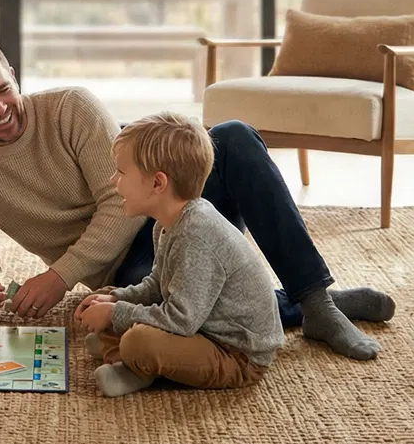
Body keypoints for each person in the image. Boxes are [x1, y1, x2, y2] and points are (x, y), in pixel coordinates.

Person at [0, 36, 394, 360]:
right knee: (178, 312)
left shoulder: (70, 107)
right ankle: (302, 308)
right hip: (129, 268)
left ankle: (316, 300)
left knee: (233, 139)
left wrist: (60, 276)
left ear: (14, 76)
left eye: (2, 89)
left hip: (165, 208)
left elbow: (119, 202)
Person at [74, 112, 283, 397]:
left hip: (236, 354)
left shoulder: (195, 235)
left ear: (158, 183)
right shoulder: (166, 223)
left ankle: (132, 363)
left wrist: (115, 316)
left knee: (138, 341)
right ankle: (124, 350)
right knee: (111, 293)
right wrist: (115, 300)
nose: (113, 181)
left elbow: (181, 320)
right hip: (203, 326)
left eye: (121, 172)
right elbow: (157, 285)